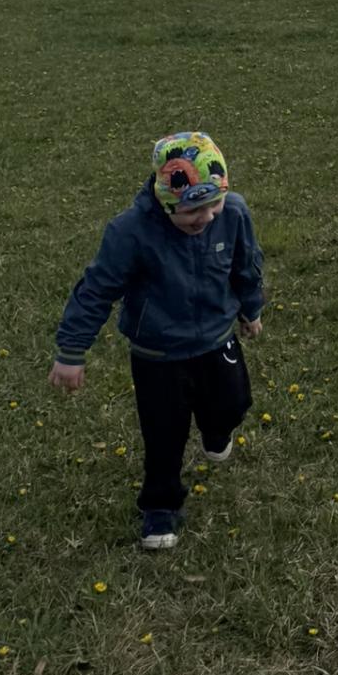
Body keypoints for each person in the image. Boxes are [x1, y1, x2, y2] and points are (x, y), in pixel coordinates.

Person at [48, 132, 264, 552]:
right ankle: (160, 507)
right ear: (165, 202)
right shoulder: (130, 232)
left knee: (234, 403)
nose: (205, 218)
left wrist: (251, 309)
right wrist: (71, 352)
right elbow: (96, 290)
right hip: (158, 353)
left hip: (217, 336)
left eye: (213, 204)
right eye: (191, 211)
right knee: (163, 434)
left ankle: (217, 430)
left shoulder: (234, 213)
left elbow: (246, 264)